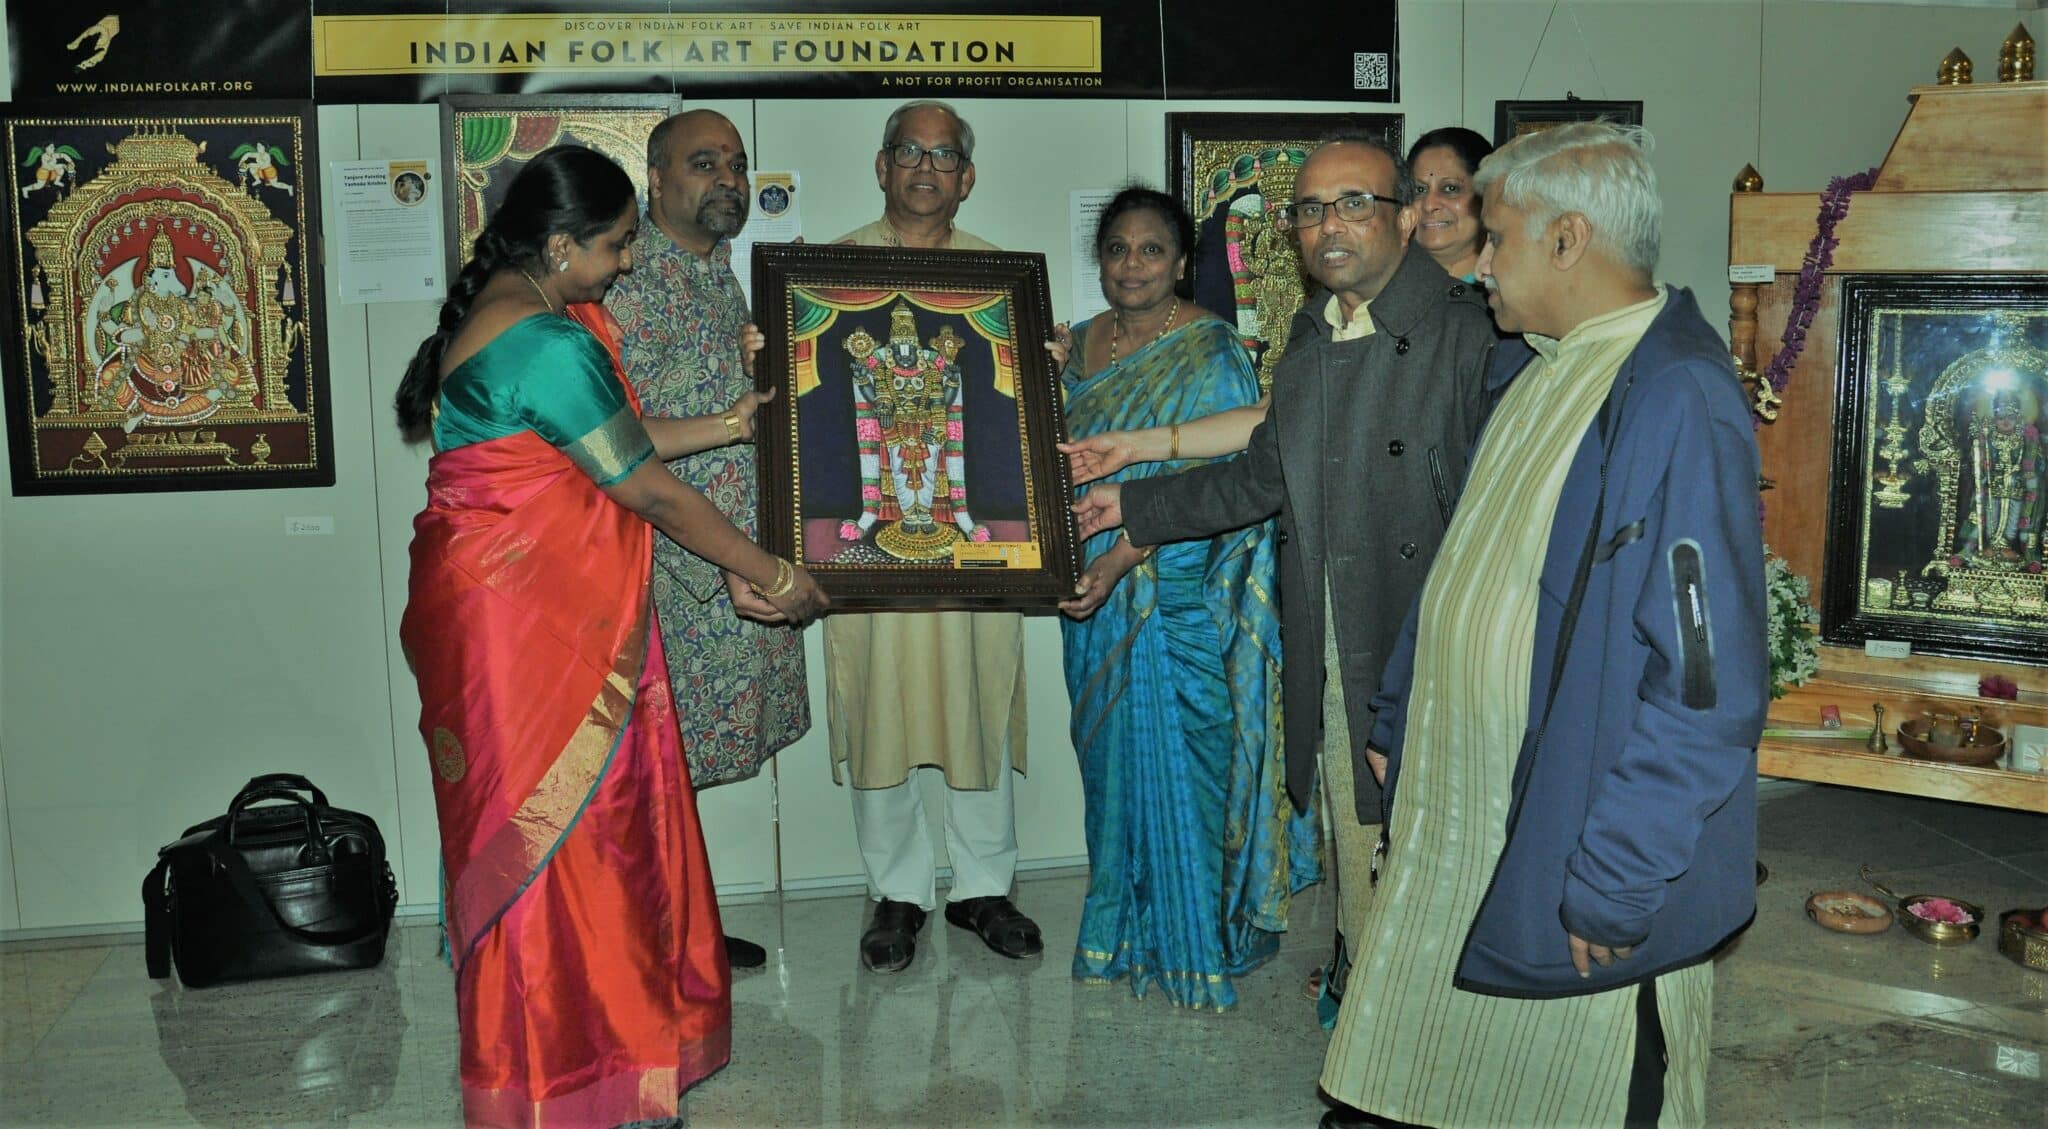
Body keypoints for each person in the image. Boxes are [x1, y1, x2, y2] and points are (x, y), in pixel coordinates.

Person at [1318, 122, 1767, 1128]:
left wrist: (1614, 882)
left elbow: (1704, 685)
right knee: (1411, 1072)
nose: (1476, 265)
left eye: (1498, 237)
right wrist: (1395, 714)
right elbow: (1462, 563)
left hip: (1567, 847)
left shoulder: (1673, 399)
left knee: (1574, 1087)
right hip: (1457, 818)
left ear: (1568, 240)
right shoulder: (1531, 366)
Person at [394, 144, 827, 1128]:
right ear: (559, 245)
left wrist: (726, 423)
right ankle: (562, 1072)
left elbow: (605, 443)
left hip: (518, 609)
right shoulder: (546, 341)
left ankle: (617, 1041)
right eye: (617, 245)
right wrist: (770, 573)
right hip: (526, 629)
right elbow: (644, 490)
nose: (628, 262)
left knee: (601, 831)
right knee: (556, 839)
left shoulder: (523, 304)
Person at [1068, 135, 1498, 1025]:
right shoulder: (1311, 339)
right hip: (1335, 644)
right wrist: (1131, 506)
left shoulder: (1471, 336)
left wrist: (1433, 669)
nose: (1327, 226)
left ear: (1406, 215)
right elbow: (1263, 475)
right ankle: (1376, 1033)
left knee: (1437, 855)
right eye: (1308, 209)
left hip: (1431, 652)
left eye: (1353, 204)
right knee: (1360, 837)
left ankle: (1408, 1048)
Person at [1053, 186, 1317, 1011]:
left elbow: (1223, 482)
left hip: (1177, 588)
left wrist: (1130, 555)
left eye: (1152, 250)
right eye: (1118, 250)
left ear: (1181, 260)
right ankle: (1121, 922)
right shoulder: (1077, 343)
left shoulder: (1210, 351)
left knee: (1194, 749)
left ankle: (1198, 929)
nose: (1133, 266)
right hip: (1090, 573)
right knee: (1107, 758)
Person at [828, 99, 1041, 973]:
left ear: (968, 177)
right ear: (881, 167)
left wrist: (1045, 371)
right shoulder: (827, 277)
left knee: (977, 688)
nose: (925, 166)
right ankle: (898, 891)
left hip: (966, 526)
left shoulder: (1002, 283)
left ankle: (986, 884)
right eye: (907, 151)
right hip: (873, 529)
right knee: (879, 698)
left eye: (943, 154)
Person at [605, 108, 806, 971]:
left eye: (735, 163)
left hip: (736, 556)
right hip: (671, 570)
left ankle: (676, 929)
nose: (726, 179)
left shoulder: (724, 270)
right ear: (655, 180)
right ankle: (641, 944)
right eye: (702, 164)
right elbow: (615, 437)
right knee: (648, 763)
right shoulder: (622, 278)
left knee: (677, 768)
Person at [1407, 126, 1493, 283]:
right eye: (1419, 189)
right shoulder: (1383, 285)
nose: (1429, 205)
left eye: (1450, 188)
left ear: (1486, 196)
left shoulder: (1508, 293)